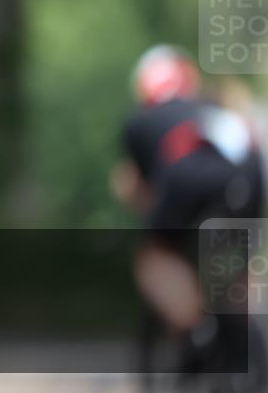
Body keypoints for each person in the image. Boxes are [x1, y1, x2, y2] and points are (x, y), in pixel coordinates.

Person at [111, 45, 265, 382]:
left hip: (186, 179)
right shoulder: (211, 109)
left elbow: (140, 189)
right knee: (233, 268)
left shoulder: (139, 122)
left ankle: (197, 334)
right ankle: (246, 340)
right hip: (250, 175)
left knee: (155, 258)